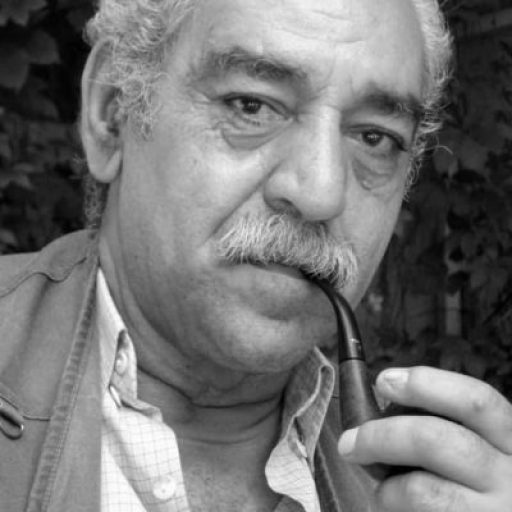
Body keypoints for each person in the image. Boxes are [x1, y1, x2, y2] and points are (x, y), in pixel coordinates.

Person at [0, 0, 511, 510]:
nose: (320, 193)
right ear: (113, 113)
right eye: (252, 106)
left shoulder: (421, 492)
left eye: (374, 138)